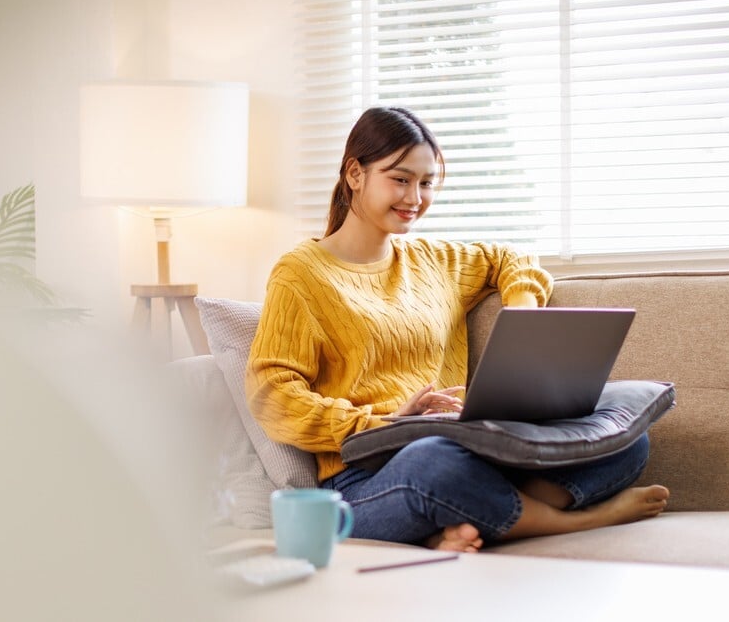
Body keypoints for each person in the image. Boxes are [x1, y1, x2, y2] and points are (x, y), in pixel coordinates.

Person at [246, 106, 669, 553]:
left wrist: (522, 313)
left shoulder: (434, 261)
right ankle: (570, 521)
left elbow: (512, 259)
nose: (415, 197)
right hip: (369, 474)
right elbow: (272, 394)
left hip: (469, 445)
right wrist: (382, 423)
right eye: (400, 179)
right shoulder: (301, 273)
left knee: (625, 437)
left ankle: (475, 516)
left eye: (427, 183)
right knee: (435, 464)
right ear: (355, 173)